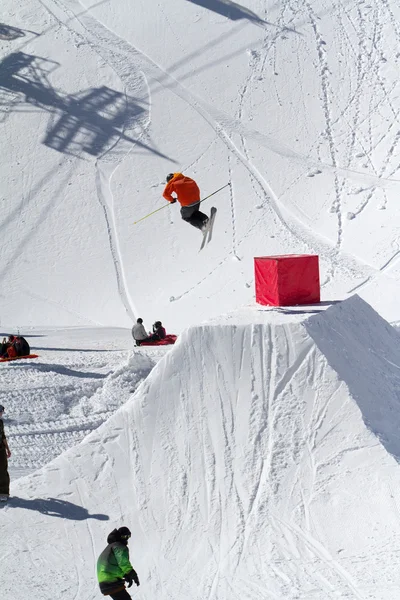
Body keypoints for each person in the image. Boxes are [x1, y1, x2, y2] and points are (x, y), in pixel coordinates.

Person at [97, 526, 140, 599]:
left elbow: (112, 565)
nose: (127, 539)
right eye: (126, 536)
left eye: (128, 536)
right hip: (111, 581)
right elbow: (123, 563)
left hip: (105, 581)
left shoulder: (110, 547)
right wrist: (132, 574)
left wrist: (125, 575)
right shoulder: (119, 546)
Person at [0, 405, 11, 502]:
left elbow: (3, 436)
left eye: (1, 412)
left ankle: (3, 493)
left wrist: (7, 448)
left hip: (1, 449)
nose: (1, 413)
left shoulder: (0, 422)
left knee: (3, 470)